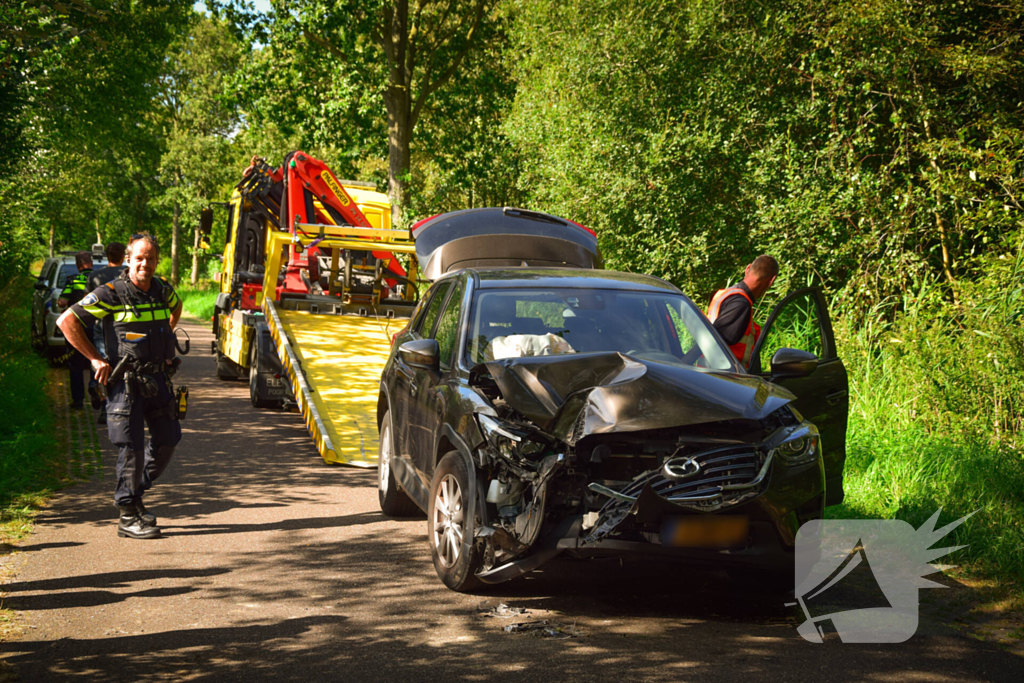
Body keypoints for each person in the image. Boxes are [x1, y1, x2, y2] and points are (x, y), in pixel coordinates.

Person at [57, 234, 184, 539]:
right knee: (132, 449)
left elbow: (176, 307)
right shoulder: (111, 293)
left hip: (158, 381)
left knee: (168, 439)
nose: (145, 263)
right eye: (139, 258)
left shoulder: (162, 289)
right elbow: (67, 321)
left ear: (157, 260)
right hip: (125, 385)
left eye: (151, 258)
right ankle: (128, 514)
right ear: (128, 259)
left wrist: (166, 337)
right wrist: (96, 359)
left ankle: (135, 492)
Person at [706, 255, 779, 367]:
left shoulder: (725, 294)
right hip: (726, 378)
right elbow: (717, 340)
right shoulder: (741, 304)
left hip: (710, 373)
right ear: (771, 281)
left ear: (747, 268)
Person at [84, 242, 127, 424]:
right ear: (124, 256)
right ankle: (121, 405)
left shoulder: (95, 275)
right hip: (124, 326)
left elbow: (86, 303)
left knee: (103, 363)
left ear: (107, 256)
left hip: (100, 325)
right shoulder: (128, 274)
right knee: (123, 365)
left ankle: (103, 404)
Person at [57, 252, 94, 409]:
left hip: (76, 328)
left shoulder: (73, 280)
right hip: (96, 327)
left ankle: (78, 401)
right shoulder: (100, 279)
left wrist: (61, 301)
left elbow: (63, 301)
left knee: (75, 364)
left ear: (78, 265)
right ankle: (97, 391)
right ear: (91, 263)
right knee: (97, 360)